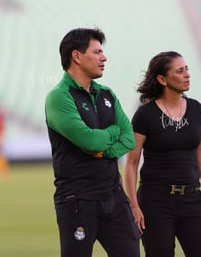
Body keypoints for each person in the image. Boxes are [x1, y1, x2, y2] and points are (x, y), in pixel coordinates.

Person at [44, 28, 139, 257]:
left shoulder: (106, 94)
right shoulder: (59, 96)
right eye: (97, 52)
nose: (104, 57)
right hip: (78, 199)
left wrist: (102, 150)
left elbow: (129, 139)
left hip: (114, 196)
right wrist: (111, 132)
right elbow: (89, 141)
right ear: (77, 56)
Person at [124, 51, 201, 257]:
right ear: (162, 79)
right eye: (179, 71)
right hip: (155, 202)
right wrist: (134, 206)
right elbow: (131, 163)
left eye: (186, 69)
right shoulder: (145, 115)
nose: (187, 74)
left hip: (193, 200)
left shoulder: (196, 109)